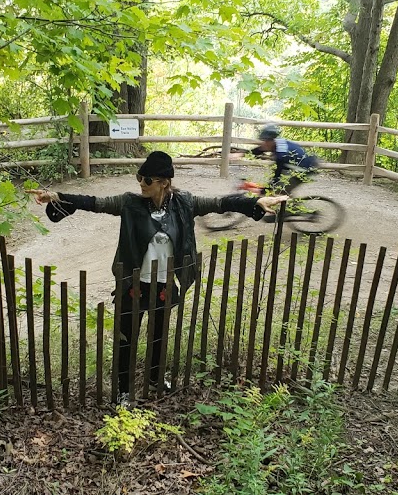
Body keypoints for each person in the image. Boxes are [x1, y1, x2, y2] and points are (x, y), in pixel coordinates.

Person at [26, 151, 286, 406]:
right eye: (140, 177)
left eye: (147, 179)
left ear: (164, 182)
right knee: (126, 339)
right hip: (133, 285)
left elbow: (220, 203)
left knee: (158, 337)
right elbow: (95, 202)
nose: (141, 183)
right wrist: (57, 196)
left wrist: (253, 203)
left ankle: (154, 379)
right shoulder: (129, 203)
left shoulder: (185, 203)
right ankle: (123, 390)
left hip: (165, 285)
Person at [251, 124, 319, 196]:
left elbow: (277, 177)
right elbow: (260, 149)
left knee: (281, 189)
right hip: (306, 163)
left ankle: (293, 206)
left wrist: (263, 191)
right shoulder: (278, 142)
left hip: (306, 169)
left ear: (271, 141)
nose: (263, 144)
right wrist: (243, 153)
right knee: (278, 188)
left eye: (265, 141)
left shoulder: (282, 155)